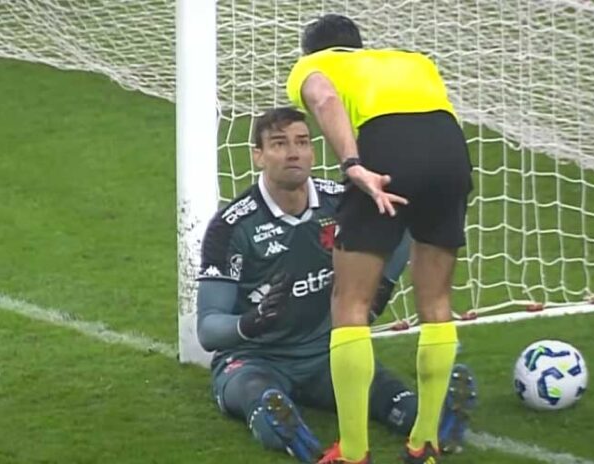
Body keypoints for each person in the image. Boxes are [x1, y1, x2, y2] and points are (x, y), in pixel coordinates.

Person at [196, 108, 475, 463]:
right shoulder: (231, 226)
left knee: (387, 394)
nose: (293, 153)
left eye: (302, 142)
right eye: (279, 144)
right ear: (258, 156)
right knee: (253, 392)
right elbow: (208, 329)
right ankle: (285, 427)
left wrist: (376, 294)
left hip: (327, 354)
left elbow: (402, 228)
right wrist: (252, 322)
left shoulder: (341, 201)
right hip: (255, 357)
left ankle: (437, 420)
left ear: (313, 152)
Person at [286, 14, 475, 464]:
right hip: (451, 152)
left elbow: (324, 97)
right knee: (436, 302)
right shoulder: (414, 61)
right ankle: (424, 444)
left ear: (312, 51)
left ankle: (353, 453)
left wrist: (353, 165)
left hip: (387, 150)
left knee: (350, 303)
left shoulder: (314, 65)